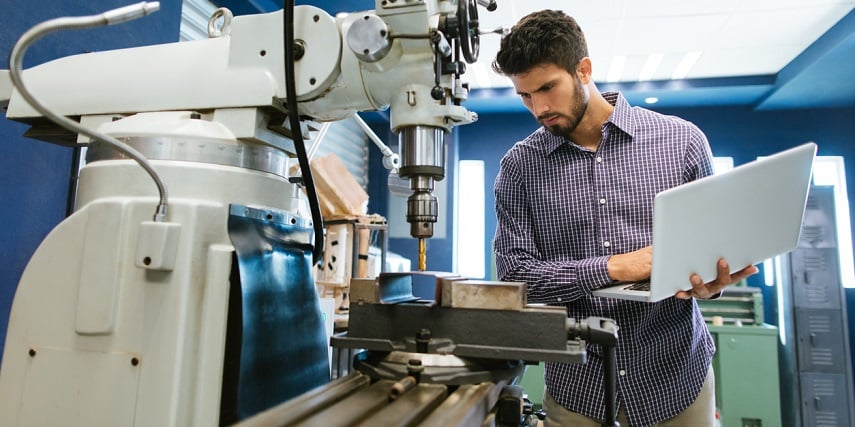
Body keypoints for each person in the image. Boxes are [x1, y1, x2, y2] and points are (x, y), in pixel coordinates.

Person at [490, 9, 758, 427]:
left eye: (547, 88)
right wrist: (613, 268)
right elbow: (516, 277)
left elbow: (710, 252)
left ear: (584, 69)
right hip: (579, 389)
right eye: (525, 95)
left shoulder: (682, 143)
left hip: (676, 380)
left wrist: (711, 285)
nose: (539, 107)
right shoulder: (520, 168)